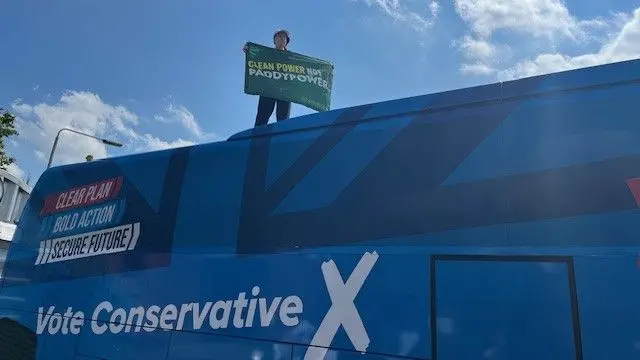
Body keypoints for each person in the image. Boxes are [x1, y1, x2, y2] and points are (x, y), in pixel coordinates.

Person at [244, 29, 292, 127]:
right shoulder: (266, 54)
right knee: (262, 116)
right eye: (278, 36)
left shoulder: (292, 57)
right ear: (274, 40)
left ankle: (283, 139)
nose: (281, 38)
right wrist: (248, 49)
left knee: (283, 119)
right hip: (268, 88)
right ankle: (257, 138)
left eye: (284, 37)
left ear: (287, 42)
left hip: (285, 90)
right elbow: (253, 57)